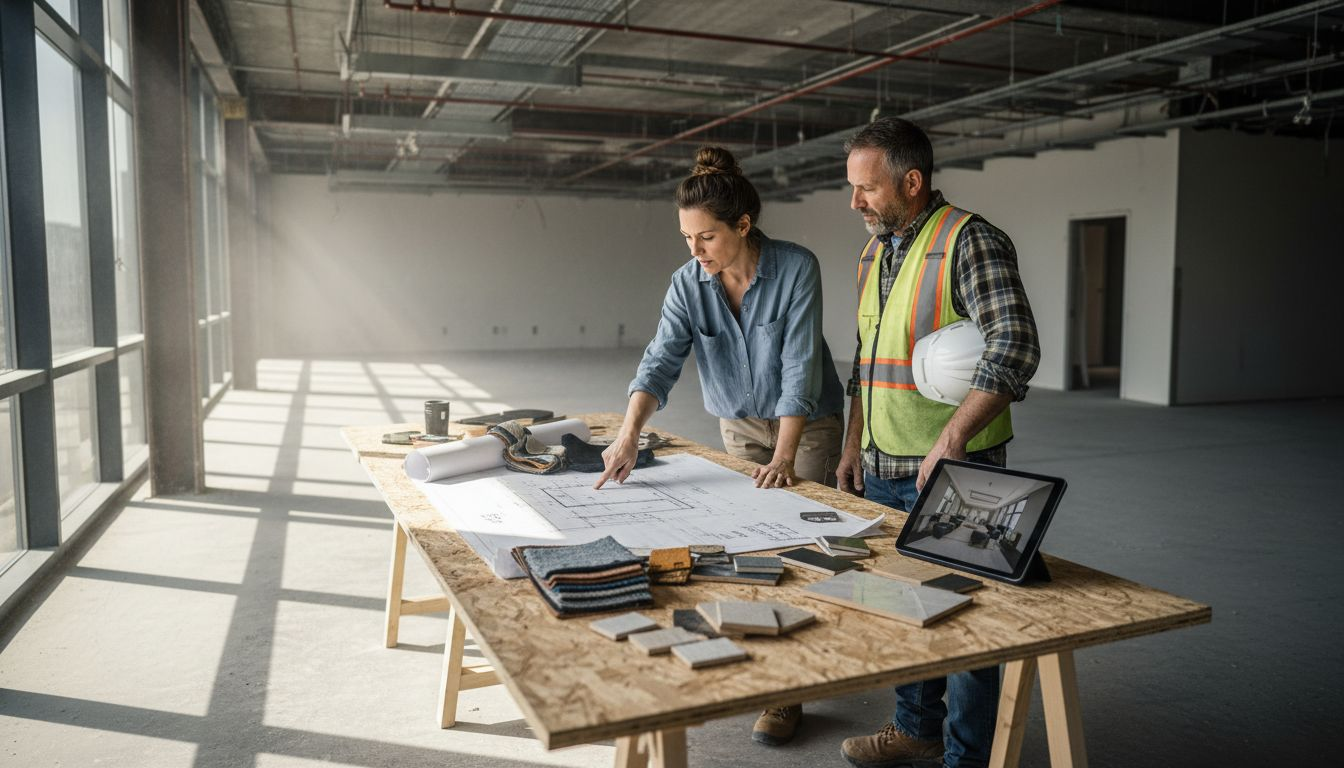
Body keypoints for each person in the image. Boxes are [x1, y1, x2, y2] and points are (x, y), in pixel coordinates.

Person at [595, 146, 845, 745]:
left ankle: (790, 693)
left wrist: (786, 456)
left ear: (742, 225)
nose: (695, 251)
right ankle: (761, 659)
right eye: (687, 239)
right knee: (744, 544)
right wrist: (628, 434)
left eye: (706, 238)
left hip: (805, 424)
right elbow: (661, 360)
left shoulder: (795, 268)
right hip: (738, 425)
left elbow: (800, 366)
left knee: (801, 544)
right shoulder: (687, 284)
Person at [836, 118, 1040, 768]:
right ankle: (914, 729)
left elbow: (1016, 345)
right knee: (906, 606)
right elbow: (866, 359)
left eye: (866, 189)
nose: (855, 203)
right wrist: (851, 445)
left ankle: (966, 758)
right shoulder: (873, 253)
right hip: (883, 464)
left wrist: (953, 438)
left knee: (967, 622)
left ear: (912, 181)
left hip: (960, 469)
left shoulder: (970, 241)